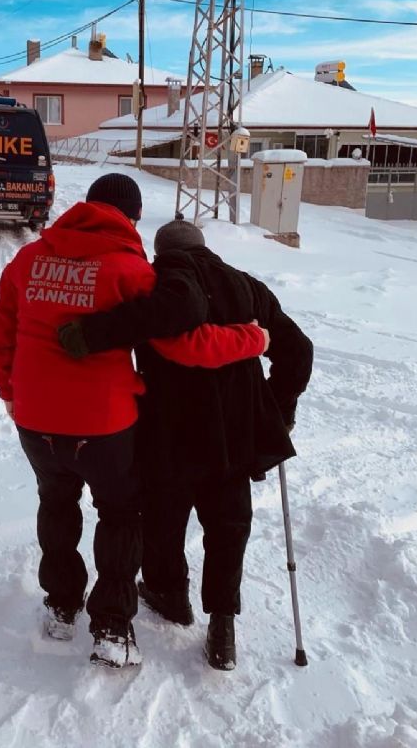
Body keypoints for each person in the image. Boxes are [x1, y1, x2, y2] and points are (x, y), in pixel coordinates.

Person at [0, 174, 269, 669]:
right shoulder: (130, 271)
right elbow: (185, 343)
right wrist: (253, 339)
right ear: (130, 218)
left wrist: (10, 393)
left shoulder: (27, 260)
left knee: (56, 503)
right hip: (105, 424)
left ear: (85, 208)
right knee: (119, 515)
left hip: (36, 419)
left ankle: (60, 605)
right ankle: (113, 627)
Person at [58, 218, 313, 670]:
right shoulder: (248, 288)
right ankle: (222, 624)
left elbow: (122, 335)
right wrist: (277, 406)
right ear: (204, 248)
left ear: (161, 255)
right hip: (232, 435)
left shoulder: (159, 292)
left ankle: (168, 592)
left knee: (163, 517)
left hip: (168, 428)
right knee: (228, 525)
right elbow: (298, 349)